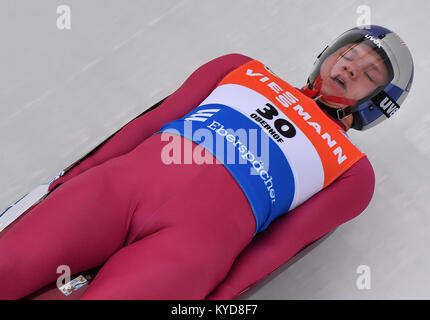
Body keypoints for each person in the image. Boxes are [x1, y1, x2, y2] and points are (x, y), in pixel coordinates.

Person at [0, 25, 413, 299]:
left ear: (377, 103)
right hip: (115, 192)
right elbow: (149, 124)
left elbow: (276, 249)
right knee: (8, 265)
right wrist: (64, 184)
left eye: (369, 73)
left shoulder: (354, 172)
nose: (351, 67)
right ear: (329, 53)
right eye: (350, 54)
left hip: (186, 252)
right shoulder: (240, 68)